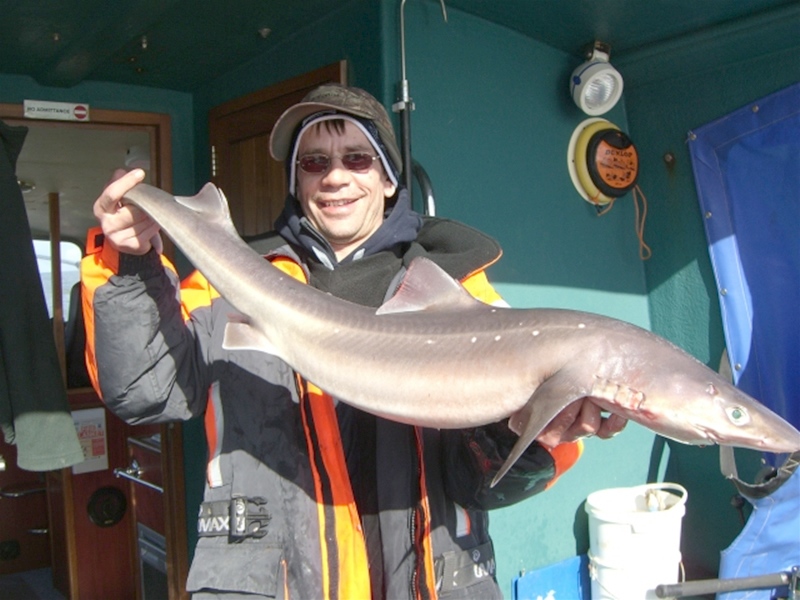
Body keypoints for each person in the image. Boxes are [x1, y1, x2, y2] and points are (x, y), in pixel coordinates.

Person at [81, 83, 626, 599]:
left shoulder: (463, 300)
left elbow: (483, 486)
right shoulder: (226, 288)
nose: (335, 177)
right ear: (297, 182)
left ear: (388, 180)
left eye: (358, 159)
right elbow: (144, 391)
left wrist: (539, 435)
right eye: (314, 162)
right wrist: (129, 265)